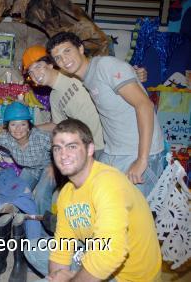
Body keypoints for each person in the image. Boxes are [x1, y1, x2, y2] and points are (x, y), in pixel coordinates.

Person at [25, 119, 162, 282]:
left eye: (72, 147)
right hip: (95, 253)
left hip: (130, 276)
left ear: (90, 149)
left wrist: (73, 280)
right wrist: (58, 276)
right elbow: (61, 247)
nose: (63, 155)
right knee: (33, 249)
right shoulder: (67, 193)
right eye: (57, 148)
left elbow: (111, 252)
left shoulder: (107, 182)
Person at [47, 32, 164, 197]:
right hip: (114, 152)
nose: (64, 60)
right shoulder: (87, 78)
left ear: (80, 48)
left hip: (139, 153)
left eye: (67, 51)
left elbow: (144, 105)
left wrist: (142, 160)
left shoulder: (105, 66)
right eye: (58, 57)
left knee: (135, 218)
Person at [0, 102, 54, 236]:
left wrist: (53, 166)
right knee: (16, 193)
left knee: (40, 195)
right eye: (13, 124)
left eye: (23, 124)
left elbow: (60, 150)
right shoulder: (6, 138)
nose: (18, 129)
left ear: (29, 126)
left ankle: (46, 236)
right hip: (30, 169)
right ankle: (21, 230)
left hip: (48, 168)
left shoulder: (40, 137)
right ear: (7, 127)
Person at [22, 45, 105, 158]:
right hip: (88, 149)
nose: (35, 75)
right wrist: (31, 129)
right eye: (31, 72)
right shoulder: (54, 97)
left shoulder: (70, 72)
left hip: (109, 142)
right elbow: (57, 124)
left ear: (50, 64)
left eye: (38, 66)